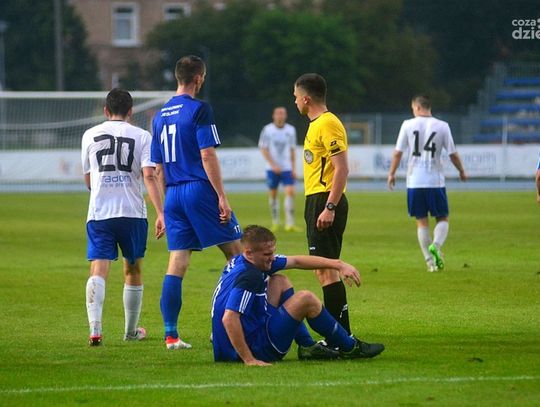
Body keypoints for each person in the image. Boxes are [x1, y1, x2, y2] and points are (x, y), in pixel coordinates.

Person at [151, 55, 243, 350]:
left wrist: (164, 209)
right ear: (199, 78)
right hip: (198, 190)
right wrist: (221, 196)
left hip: (173, 194)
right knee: (238, 256)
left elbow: (158, 169)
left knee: (177, 262)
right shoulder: (200, 109)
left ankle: (171, 335)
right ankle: (226, 328)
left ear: (177, 77)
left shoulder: (159, 116)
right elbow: (207, 154)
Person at [211, 225, 385, 365]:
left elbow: (297, 261)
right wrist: (249, 360)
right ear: (249, 253)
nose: (272, 258)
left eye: (273, 252)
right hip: (255, 349)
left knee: (279, 280)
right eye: (267, 254)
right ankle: (350, 347)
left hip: (227, 348)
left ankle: (307, 346)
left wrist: (338, 264)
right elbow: (229, 318)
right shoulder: (250, 276)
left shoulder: (241, 261)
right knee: (306, 299)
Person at [81, 88, 165, 346]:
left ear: (106, 110)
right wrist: (161, 212)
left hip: (100, 212)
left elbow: (88, 181)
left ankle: (95, 330)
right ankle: (130, 332)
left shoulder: (89, 135)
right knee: (133, 268)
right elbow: (149, 175)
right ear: (131, 111)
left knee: (98, 267)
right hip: (132, 213)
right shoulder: (142, 136)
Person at [293, 73, 352, 335]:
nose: (295, 101)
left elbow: (342, 169)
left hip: (325, 200)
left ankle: (341, 337)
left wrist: (330, 207)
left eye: (296, 97)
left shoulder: (328, 123)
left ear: (306, 98)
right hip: (316, 199)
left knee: (328, 271)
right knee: (323, 270)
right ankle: (339, 336)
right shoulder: (315, 124)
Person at [387, 94, 467, 272]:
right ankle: (436, 246)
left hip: (414, 181)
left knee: (421, 222)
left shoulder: (407, 125)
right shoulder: (442, 126)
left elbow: (398, 153)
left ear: (417, 107)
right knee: (442, 218)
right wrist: (461, 170)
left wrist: (391, 173)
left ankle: (430, 264)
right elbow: (453, 154)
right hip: (435, 181)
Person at [258, 106, 299, 232]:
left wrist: (293, 168)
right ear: (274, 116)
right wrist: (273, 165)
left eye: (282, 114)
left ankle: (289, 224)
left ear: (285, 116)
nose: (280, 116)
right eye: (278, 113)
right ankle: (275, 222)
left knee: (290, 192)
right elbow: (263, 148)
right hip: (272, 168)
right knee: (273, 194)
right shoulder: (267, 130)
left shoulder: (291, 130)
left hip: (287, 167)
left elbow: (292, 149)